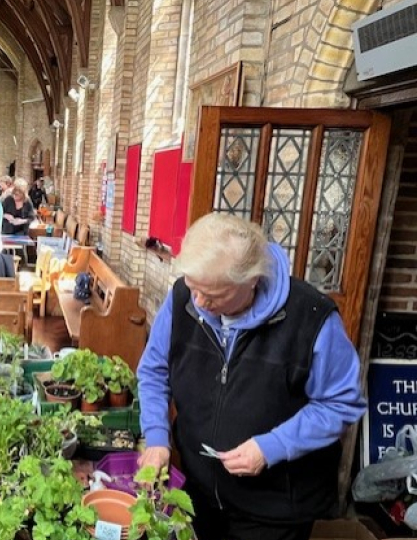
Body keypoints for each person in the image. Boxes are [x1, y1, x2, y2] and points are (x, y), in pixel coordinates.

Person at [138, 213, 366, 540]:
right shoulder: (183, 299)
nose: (199, 303)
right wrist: (158, 437)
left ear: (251, 281)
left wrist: (271, 447)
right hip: (199, 493)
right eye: (194, 289)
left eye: (213, 295)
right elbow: (154, 369)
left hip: (276, 508)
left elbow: (340, 405)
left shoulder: (312, 318)